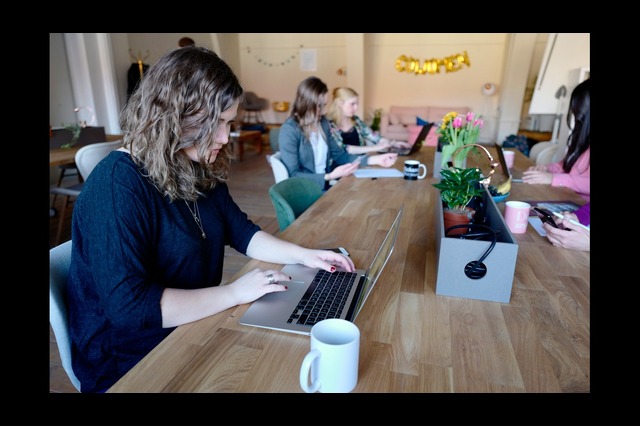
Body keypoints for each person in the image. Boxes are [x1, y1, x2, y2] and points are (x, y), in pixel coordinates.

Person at [66, 46, 356, 393]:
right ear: (174, 115)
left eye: (228, 123)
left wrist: (305, 256)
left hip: (192, 327)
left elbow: (241, 231)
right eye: (215, 123)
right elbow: (129, 309)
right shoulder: (116, 185)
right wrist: (233, 293)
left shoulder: (193, 164)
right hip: (132, 362)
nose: (224, 137)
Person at [279, 77, 399, 190]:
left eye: (324, 105)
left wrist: (376, 159)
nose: (322, 111)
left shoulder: (322, 123)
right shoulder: (290, 130)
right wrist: (329, 176)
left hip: (325, 186)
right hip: (307, 190)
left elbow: (340, 155)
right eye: (318, 106)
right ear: (306, 103)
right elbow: (292, 174)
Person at [523, 78, 590, 201]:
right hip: (567, 197)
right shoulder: (582, 136)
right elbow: (566, 166)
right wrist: (547, 168)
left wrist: (552, 178)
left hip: (582, 206)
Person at [326, 87, 411, 154]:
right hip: (340, 167)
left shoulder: (356, 120)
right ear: (340, 103)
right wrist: (374, 148)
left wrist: (393, 143)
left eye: (357, 104)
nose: (356, 108)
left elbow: (374, 137)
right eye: (352, 104)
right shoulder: (328, 123)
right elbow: (343, 149)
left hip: (360, 162)